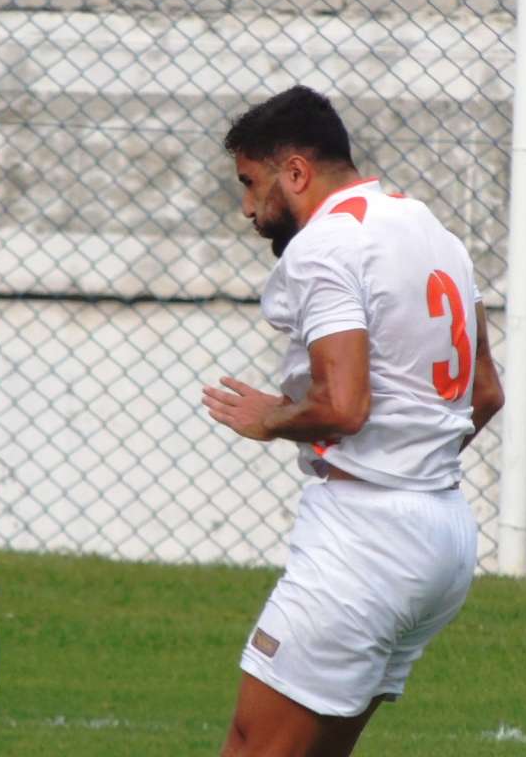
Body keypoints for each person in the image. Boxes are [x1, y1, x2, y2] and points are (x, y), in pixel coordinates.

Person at [202, 86, 504, 757]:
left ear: (297, 172)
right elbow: (485, 395)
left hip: (365, 537)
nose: (249, 208)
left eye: (251, 184)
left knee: (254, 745)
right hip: (443, 534)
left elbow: (344, 405)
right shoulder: (434, 231)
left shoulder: (326, 246)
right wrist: (415, 461)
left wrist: (269, 418)